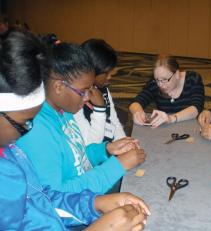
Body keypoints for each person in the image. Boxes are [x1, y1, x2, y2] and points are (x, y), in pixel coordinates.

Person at [0, 31, 150, 230]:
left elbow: (43, 198)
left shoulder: (58, 115)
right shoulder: (34, 134)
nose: (29, 128)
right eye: (25, 122)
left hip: (71, 207)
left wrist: (104, 153)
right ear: (59, 86)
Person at [17, 41, 146, 193]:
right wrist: (118, 166)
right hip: (73, 207)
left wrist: (105, 150)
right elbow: (54, 196)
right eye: (83, 91)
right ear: (59, 86)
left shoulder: (64, 110)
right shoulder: (37, 131)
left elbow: (77, 160)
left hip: (87, 189)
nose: (86, 98)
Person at [129, 54, 205, 128]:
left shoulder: (193, 79)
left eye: (165, 79)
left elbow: (196, 108)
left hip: (192, 127)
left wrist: (171, 118)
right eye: (157, 80)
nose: (160, 84)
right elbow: (135, 103)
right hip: (167, 129)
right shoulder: (155, 83)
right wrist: (137, 112)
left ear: (177, 74)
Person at [74, 39, 126, 144]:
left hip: (109, 146)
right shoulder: (75, 99)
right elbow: (90, 145)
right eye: (106, 73)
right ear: (92, 71)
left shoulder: (102, 88)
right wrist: (99, 108)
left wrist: (123, 142)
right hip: (94, 152)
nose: (110, 77)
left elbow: (113, 120)